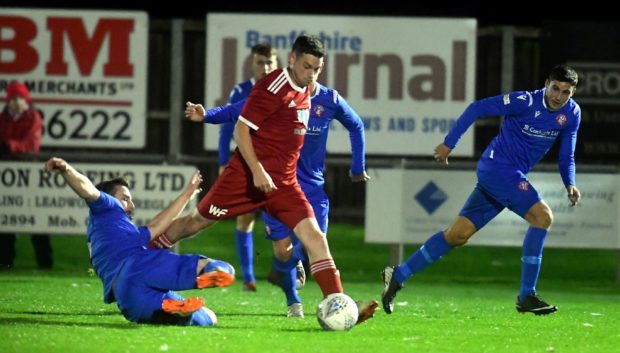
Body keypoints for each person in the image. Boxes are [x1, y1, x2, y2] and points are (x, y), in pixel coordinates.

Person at [157, 34, 377, 326]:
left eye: (317, 69)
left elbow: (351, 124)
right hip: (246, 178)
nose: (312, 74)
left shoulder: (309, 92)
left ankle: (339, 304)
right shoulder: (273, 87)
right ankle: (143, 254)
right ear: (292, 60)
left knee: (315, 236)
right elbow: (242, 129)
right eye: (307, 66)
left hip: (284, 184)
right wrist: (258, 170)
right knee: (196, 222)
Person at [381, 64, 581, 316]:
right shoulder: (524, 101)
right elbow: (477, 108)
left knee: (457, 235)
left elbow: (567, 155)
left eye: (565, 92)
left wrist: (569, 182)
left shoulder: (572, 113)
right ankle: (526, 295)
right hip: (497, 168)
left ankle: (398, 275)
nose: (558, 96)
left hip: (504, 176)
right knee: (543, 217)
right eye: (555, 88)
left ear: (572, 94)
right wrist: (448, 143)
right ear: (546, 84)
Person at [43, 157, 235, 326]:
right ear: (109, 198)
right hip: (139, 265)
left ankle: (173, 313)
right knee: (220, 269)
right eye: (125, 198)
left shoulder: (106, 234)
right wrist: (66, 169)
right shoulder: (108, 207)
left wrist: (186, 198)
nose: (131, 206)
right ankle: (213, 271)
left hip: (128, 299)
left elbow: (160, 226)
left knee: (208, 317)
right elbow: (87, 190)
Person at [219, 43, 279, 292]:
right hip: (247, 165)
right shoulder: (241, 91)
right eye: (259, 62)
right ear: (252, 64)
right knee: (245, 220)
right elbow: (225, 127)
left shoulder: (285, 91)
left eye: (269, 63)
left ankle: (281, 272)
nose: (264, 67)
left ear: (276, 64)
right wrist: (223, 162)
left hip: (275, 166)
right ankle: (249, 278)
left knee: (279, 221)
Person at [0, 81, 52, 270]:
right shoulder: (3, 118)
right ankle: (5, 263)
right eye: (13, 98)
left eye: (20, 98)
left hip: (28, 177)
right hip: (7, 178)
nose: (17, 102)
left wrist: (8, 146)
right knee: (7, 219)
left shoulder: (33, 117)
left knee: (36, 219)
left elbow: (30, 145)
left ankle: (45, 263)